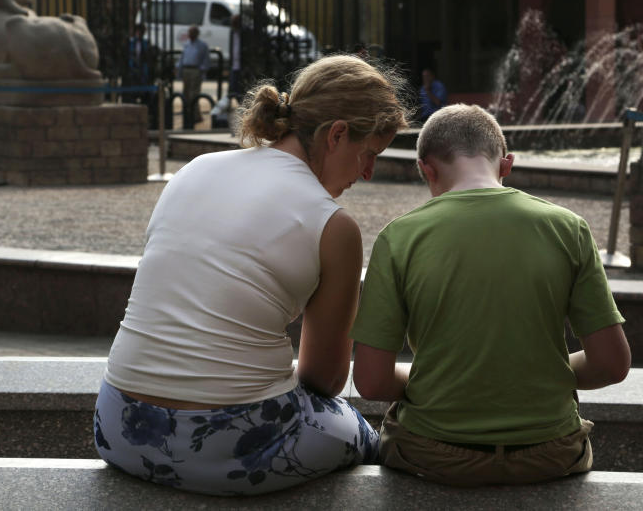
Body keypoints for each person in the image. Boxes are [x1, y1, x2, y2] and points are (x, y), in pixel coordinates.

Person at [95, 55, 411, 496]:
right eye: (369, 154)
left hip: (117, 425)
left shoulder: (195, 168)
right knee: (359, 434)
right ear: (337, 134)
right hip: (230, 447)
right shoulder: (333, 226)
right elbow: (324, 380)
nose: (368, 173)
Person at [351, 103, 630, 488]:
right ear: (506, 165)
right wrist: (537, 374)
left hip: (431, 452)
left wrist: (442, 379)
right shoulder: (569, 229)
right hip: (551, 452)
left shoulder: (399, 238)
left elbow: (370, 381)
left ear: (426, 170)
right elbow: (612, 365)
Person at [176, 25, 210, 125]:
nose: (190, 35)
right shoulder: (186, 44)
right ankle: (188, 115)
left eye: (192, 33)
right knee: (186, 94)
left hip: (195, 70)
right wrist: (179, 69)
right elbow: (182, 58)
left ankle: (195, 116)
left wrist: (202, 70)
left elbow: (206, 60)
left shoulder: (202, 45)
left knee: (194, 94)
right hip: (186, 69)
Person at [228, 14, 244, 101]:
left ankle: (240, 102)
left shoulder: (244, 33)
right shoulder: (232, 32)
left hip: (241, 63)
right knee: (232, 86)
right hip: (234, 63)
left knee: (240, 86)